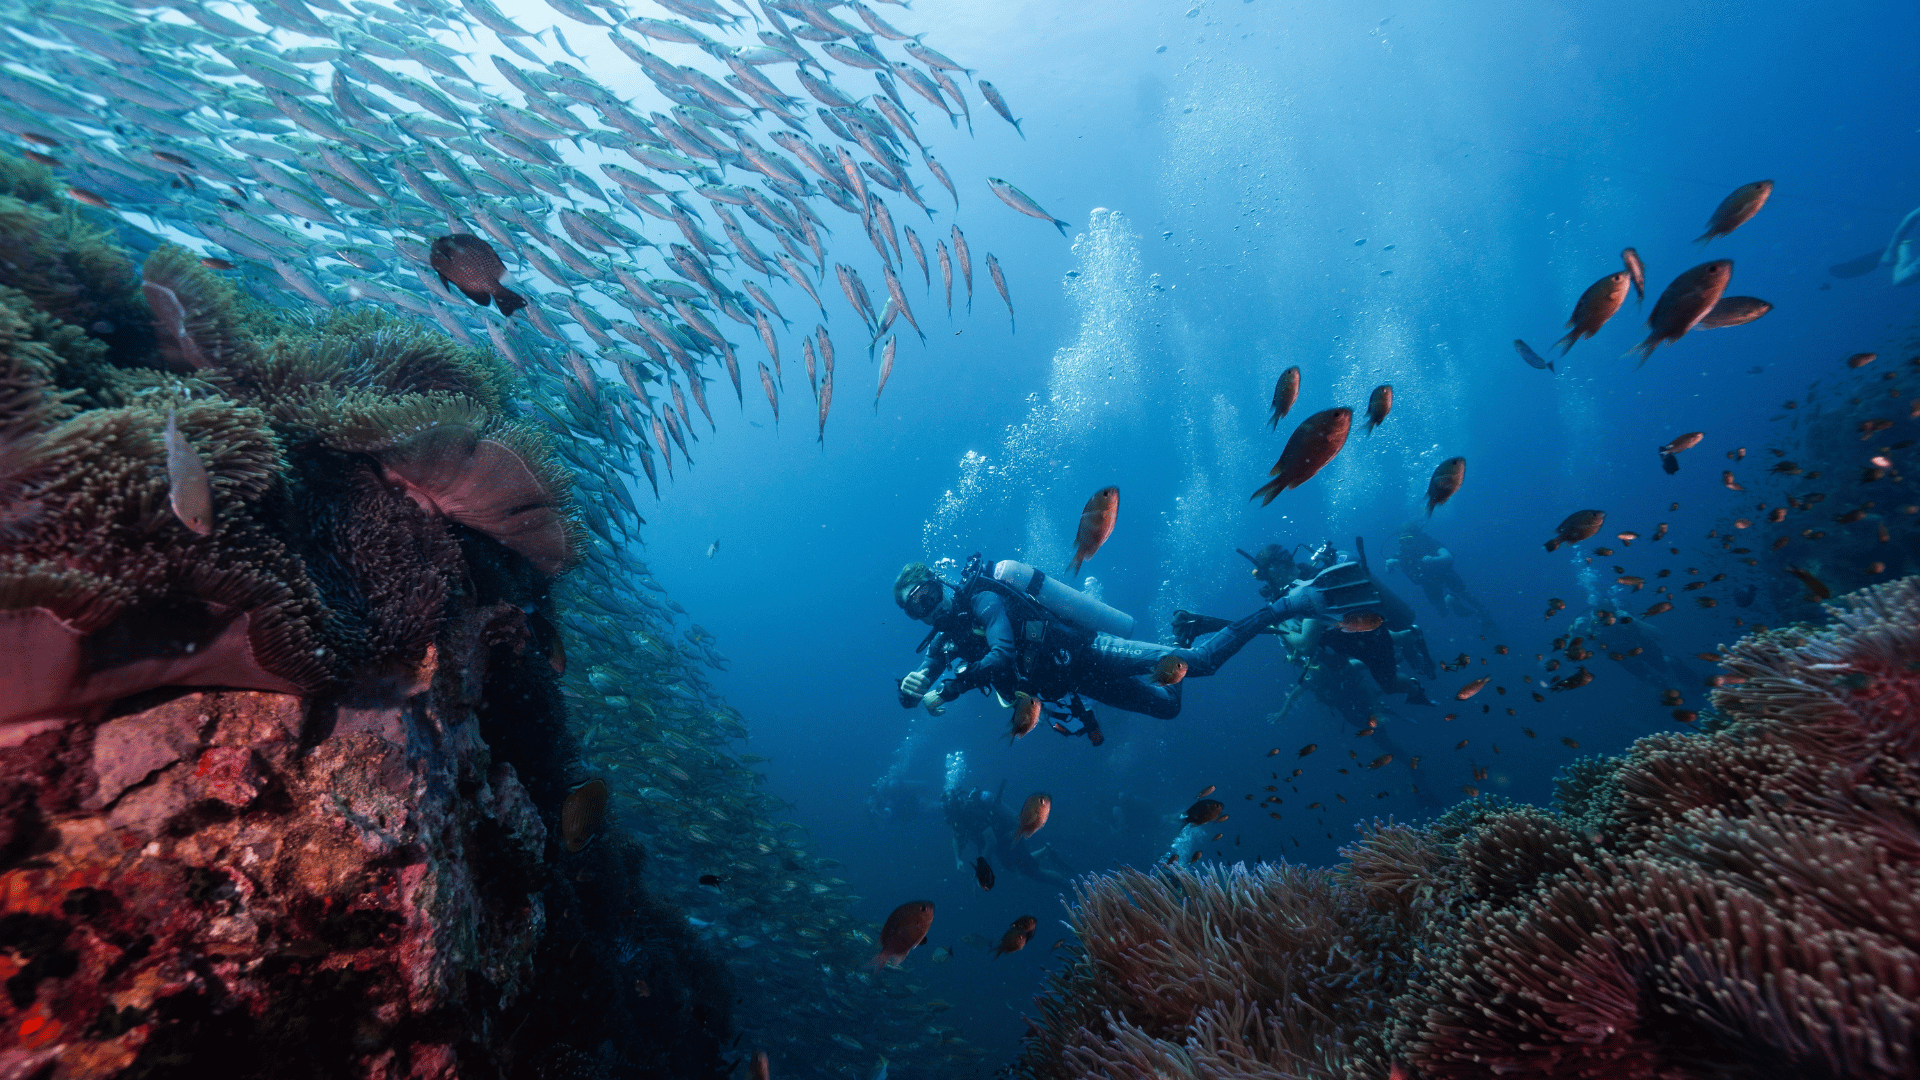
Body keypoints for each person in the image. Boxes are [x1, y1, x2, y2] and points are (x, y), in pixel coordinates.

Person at [892, 552, 1377, 721]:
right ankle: (1182, 636)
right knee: (1167, 708)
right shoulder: (945, 642)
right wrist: (911, 689)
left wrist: (949, 689)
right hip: (1079, 681)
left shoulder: (982, 598)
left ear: (941, 583)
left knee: (1202, 664)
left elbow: (1000, 653)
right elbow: (920, 683)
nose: (930, 605)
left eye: (929, 593)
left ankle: (1290, 604)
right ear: (915, 616)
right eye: (918, 606)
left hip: (1089, 648)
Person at [941, 779, 1071, 888]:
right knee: (1018, 868)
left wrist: (981, 866)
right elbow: (956, 837)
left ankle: (1072, 887)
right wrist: (958, 859)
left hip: (1008, 837)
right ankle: (1046, 851)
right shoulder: (957, 819)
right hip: (1001, 844)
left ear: (957, 808)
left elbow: (991, 841)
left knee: (1036, 873)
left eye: (952, 814)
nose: (952, 819)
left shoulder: (973, 815)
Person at [1385, 526, 1498, 630]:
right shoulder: (1401, 554)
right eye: (1402, 541)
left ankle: (1487, 617)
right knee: (1442, 612)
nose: (1406, 544)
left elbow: (1448, 557)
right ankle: (1451, 598)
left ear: (1416, 538)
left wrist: (1434, 559)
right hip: (1428, 583)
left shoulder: (1429, 544)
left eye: (1409, 540)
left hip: (1446, 576)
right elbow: (1388, 570)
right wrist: (1389, 564)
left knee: (1467, 596)